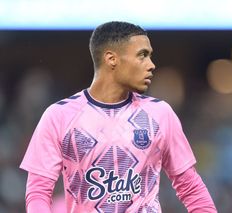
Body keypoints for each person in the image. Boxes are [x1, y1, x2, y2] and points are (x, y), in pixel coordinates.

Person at [20, 21, 217, 213]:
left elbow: (190, 187)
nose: (151, 65)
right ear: (111, 59)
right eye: (142, 55)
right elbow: (38, 192)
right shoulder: (59, 116)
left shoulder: (160, 113)